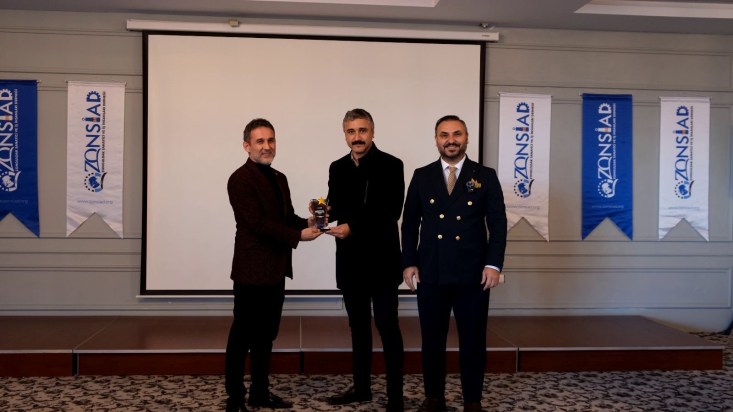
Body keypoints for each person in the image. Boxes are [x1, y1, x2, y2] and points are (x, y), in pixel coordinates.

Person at [401, 115, 507, 412]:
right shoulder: (422, 175)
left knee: (473, 340)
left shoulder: (484, 175)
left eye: (457, 134)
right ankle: (434, 397)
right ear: (436, 140)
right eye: (444, 135)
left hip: (473, 274)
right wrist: (409, 262)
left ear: (466, 137)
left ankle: (472, 400)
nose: (451, 140)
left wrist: (493, 265)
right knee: (432, 339)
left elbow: (498, 224)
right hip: (431, 272)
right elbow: (409, 224)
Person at [225, 118, 322, 412]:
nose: (267, 146)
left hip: (275, 270)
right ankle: (235, 398)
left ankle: (260, 393)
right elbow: (256, 224)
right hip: (251, 272)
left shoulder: (279, 177)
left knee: (266, 336)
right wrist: (297, 236)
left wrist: (309, 223)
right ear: (247, 146)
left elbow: (285, 218)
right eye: (260, 141)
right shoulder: (239, 179)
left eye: (271, 140)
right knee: (242, 336)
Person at [325, 108, 405, 412]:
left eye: (362, 130)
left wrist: (353, 227)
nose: (357, 137)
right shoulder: (337, 167)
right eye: (351, 131)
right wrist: (323, 211)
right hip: (351, 263)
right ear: (344, 134)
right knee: (358, 328)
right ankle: (361, 389)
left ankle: (395, 396)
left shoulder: (392, 165)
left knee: (387, 326)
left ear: (372, 132)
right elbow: (335, 205)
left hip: (382, 263)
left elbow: (390, 212)